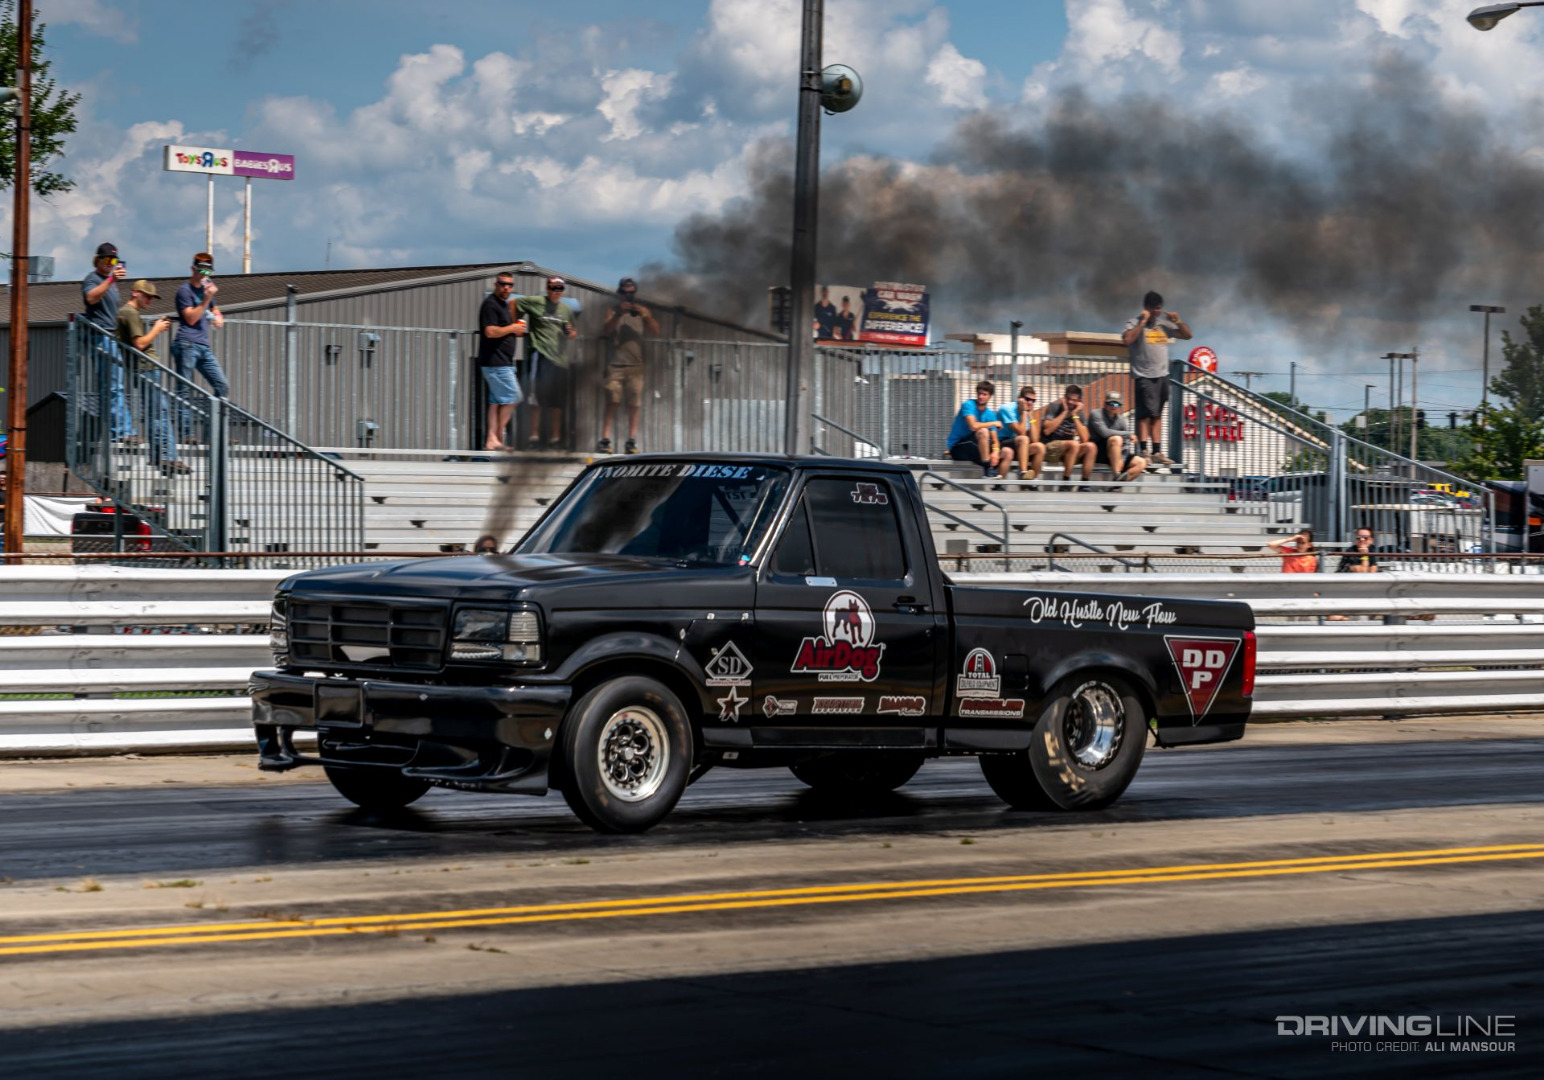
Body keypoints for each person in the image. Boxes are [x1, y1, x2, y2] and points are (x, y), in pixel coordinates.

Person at [115, 280, 185, 474]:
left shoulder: (127, 313)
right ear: (135, 293)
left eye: (151, 297)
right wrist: (156, 328)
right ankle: (167, 457)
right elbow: (140, 344)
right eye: (146, 296)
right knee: (160, 413)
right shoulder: (130, 313)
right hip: (145, 367)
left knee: (156, 413)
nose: (149, 300)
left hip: (142, 368)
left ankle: (160, 456)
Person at [1120, 290, 1192, 467]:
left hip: (1162, 375)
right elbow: (1127, 340)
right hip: (1144, 375)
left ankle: (1157, 451)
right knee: (1145, 415)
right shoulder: (1134, 323)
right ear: (1146, 308)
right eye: (1153, 309)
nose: (1156, 312)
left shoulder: (1163, 325)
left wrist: (1178, 321)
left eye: (1159, 309)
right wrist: (1143, 321)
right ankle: (1144, 450)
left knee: (1157, 414)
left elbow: (1187, 335)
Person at [512, 276, 579, 450]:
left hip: (560, 360)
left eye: (560, 289)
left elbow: (573, 332)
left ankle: (554, 439)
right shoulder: (536, 301)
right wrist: (516, 324)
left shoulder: (566, 309)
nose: (556, 292)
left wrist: (570, 333)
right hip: (540, 355)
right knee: (536, 399)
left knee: (557, 402)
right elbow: (514, 304)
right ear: (547, 288)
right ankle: (534, 437)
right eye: (553, 288)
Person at [598, 277, 658, 454]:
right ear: (619, 294)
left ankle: (631, 440)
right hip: (615, 364)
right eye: (625, 293)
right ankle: (605, 439)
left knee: (634, 403)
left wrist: (645, 316)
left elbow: (655, 331)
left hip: (636, 365)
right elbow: (605, 331)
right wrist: (619, 314)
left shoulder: (643, 311)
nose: (628, 296)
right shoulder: (612, 311)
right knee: (612, 400)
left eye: (631, 293)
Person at [82, 242, 135, 441]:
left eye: (114, 260)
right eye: (107, 260)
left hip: (112, 337)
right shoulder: (93, 278)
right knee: (113, 388)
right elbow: (91, 298)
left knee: (115, 387)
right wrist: (111, 278)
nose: (110, 263)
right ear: (98, 260)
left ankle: (122, 430)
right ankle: (122, 432)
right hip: (101, 336)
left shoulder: (109, 282)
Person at [173, 253, 228, 441]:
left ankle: (214, 433)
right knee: (184, 389)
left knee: (222, 385)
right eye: (201, 270)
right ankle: (186, 433)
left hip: (203, 345)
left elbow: (216, 311)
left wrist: (217, 315)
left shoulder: (207, 289)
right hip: (186, 343)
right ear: (193, 269)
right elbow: (191, 318)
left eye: (208, 271)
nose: (204, 274)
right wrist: (206, 300)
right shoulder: (185, 291)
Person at [477, 272, 528, 451]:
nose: (506, 288)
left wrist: (515, 330)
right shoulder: (491, 304)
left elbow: (503, 330)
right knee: (514, 397)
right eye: (502, 284)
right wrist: (512, 328)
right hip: (495, 362)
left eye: (509, 285)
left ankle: (492, 440)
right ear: (495, 284)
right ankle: (496, 436)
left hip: (502, 361)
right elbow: (490, 332)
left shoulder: (503, 305)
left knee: (496, 401)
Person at [1038, 383, 1098, 485]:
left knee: (1091, 447)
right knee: (1073, 444)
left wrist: (1074, 415)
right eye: (1068, 399)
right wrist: (1065, 412)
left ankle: (1084, 483)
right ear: (1064, 397)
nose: (1070, 402)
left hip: (1069, 451)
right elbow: (1047, 430)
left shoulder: (1079, 413)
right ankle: (1066, 481)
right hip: (1050, 447)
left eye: (1074, 400)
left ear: (1079, 401)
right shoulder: (1054, 407)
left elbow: (1085, 438)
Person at [945, 381, 1007, 478]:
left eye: (984, 394)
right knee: (983, 431)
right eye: (979, 394)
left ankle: (998, 486)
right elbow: (973, 425)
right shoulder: (969, 405)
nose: (981, 397)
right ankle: (987, 469)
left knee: (1006, 452)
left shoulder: (990, 414)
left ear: (990, 396)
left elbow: (995, 439)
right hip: (957, 446)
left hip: (974, 446)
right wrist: (994, 423)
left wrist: (995, 451)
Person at [1087, 391, 1148, 483]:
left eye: (1116, 404)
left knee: (1141, 463)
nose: (1113, 406)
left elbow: (1126, 442)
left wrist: (1122, 459)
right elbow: (1105, 433)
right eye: (1110, 403)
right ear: (1105, 403)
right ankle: (1117, 473)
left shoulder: (1121, 420)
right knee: (1116, 439)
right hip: (1098, 451)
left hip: (1117, 453)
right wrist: (1128, 434)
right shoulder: (1095, 414)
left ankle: (1117, 484)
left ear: (1120, 406)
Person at [996, 385, 1047, 481]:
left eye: (1033, 400)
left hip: (1019, 445)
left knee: (1040, 447)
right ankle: (1023, 472)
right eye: (1028, 399)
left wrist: (1031, 416)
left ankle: (1033, 481)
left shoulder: (1027, 413)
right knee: (1024, 438)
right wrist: (1024, 412)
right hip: (1002, 442)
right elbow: (1021, 432)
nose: (1030, 403)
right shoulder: (1007, 409)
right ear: (1020, 399)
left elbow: (1035, 439)